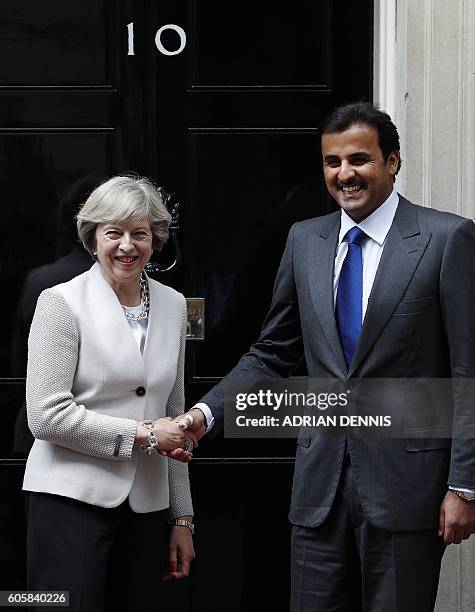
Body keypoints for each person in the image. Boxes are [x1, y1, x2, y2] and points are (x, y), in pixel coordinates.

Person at [173, 102, 475, 611]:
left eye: (359, 159)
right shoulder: (304, 240)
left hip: (409, 487)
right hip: (319, 488)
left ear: (393, 162)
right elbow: (273, 352)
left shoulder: (447, 239)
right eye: (333, 162)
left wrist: (464, 486)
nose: (345, 174)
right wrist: (205, 416)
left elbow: (468, 370)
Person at [23, 175, 196, 612]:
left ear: (155, 240)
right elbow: (45, 414)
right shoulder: (60, 302)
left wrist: (182, 519)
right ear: (93, 236)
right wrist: (142, 434)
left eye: (139, 233)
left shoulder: (174, 305)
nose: (127, 246)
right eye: (113, 232)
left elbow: (172, 416)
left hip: (147, 508)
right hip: (69, 501)